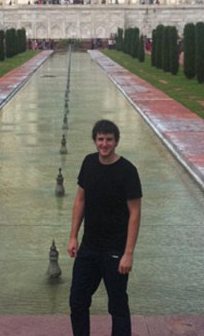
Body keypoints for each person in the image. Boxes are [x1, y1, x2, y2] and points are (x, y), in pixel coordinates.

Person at [68, 119, 142, 336]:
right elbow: (80, 200)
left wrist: (128, 253)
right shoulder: (89, 163)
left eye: (109, 139)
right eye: (100, 139)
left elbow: (135, 213)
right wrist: (73, 236)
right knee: (77, 301)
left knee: (117, 306)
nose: (104, 144)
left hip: (115, 250)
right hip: (89, 247)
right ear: (95, 141)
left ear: (116, 141)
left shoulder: (127, 171)